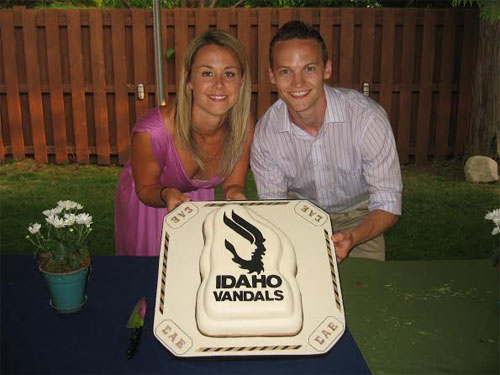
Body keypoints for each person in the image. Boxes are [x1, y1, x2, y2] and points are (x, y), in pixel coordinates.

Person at [250, 21, 402, 263]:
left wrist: (354, 236)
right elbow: (274, 207)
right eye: (285, 71)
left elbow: (388, 202)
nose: (297, 83)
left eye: (309, 69)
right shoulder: (266, 134)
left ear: (327, 69)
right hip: (301, 217)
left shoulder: (366, 119)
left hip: (362, 217)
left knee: (367, 291)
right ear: (272, 76)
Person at [115, 30, 254, 256]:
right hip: (152, 202)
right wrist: (166, 194)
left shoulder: (243, 125)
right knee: (149, 280)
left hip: (198, 202)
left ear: (242, 80)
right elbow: (146, 188)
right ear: (189, 80)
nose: (219, 84)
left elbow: (233, 185)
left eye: (229, 74)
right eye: (207, 73)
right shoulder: (153, 132)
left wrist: (236, 196)